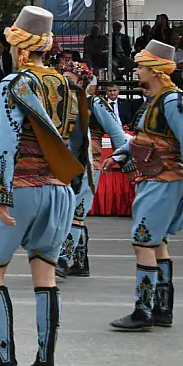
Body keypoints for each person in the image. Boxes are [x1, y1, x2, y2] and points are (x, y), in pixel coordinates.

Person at [0, 6, 87, 366]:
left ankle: (4, 359)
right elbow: (78, 140)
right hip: (59, 190)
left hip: (21, 187)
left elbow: (6, 144)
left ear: (21, 49)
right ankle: (44, 360)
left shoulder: (14, 84)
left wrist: (1, 196)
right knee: (45, 272)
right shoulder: (66, 85)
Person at [105, 39, 182, 330]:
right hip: (153, 179)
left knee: (143, 241)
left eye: (140, 65)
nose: (136, 70)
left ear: (154, 69)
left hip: (163, 179)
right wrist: (120, 154)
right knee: (157, 242)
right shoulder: (157, 101)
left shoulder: (172, 101)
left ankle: (144, 310)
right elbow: (144, 139)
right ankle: (162, 309)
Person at [56, 61, 129, 279]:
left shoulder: (94, 103)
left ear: (82, 82)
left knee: (77, 212)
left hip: (89, 164)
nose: (65, 83)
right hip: (64, 163)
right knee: (68, 212)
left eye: (69, 79)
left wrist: (122, 159)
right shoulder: (58, 103)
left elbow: (117, 133)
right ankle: (80, 262)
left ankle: (61, 257)